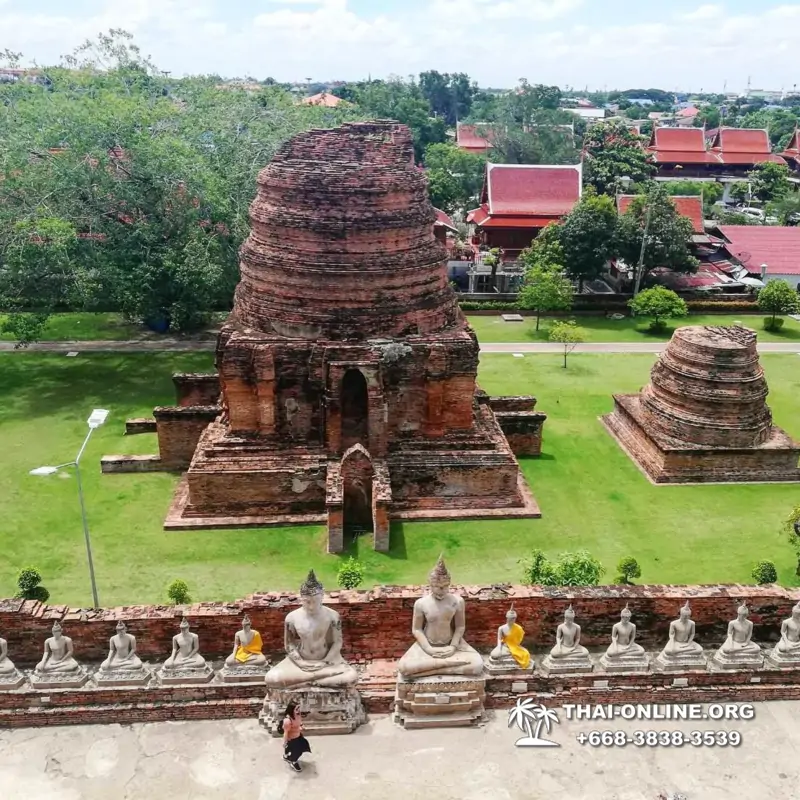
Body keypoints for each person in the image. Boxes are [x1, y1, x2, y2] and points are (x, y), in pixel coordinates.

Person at [282, 701, 311, 773]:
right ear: (291, 710)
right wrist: (284, 742)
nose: (299, 710)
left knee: (303, 745)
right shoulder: (287, 721)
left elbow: (299, 722)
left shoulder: (298, 714)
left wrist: (301, 726)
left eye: (299, 708)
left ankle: (286, 756)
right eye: (297, 708)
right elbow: (286, 733)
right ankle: (293, 761)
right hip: (292, 739)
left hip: (298, 736)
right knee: (297, 752)